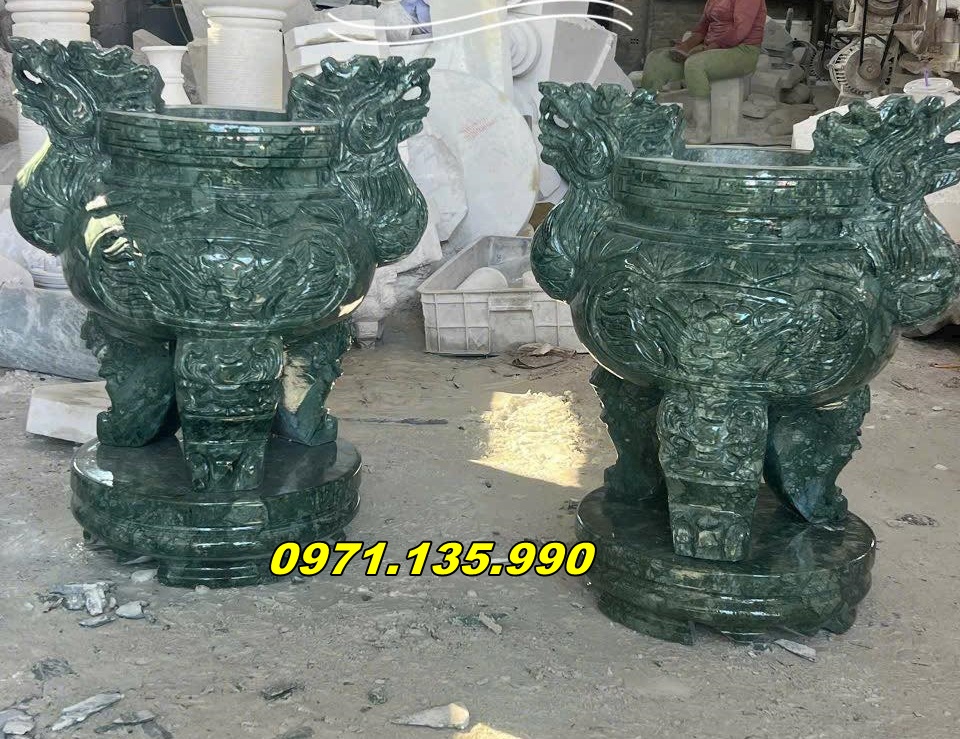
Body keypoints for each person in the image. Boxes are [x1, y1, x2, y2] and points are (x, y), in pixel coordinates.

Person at [638, 0, 767, 142]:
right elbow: (703, 27)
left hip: (742, 51)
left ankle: (703, 129)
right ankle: (645, 118)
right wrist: (685, 47)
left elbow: (740, 31)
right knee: (656, 59)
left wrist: (707, 48)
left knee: (695, 64)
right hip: (711, 47)